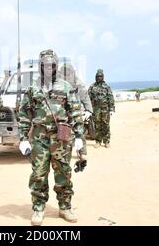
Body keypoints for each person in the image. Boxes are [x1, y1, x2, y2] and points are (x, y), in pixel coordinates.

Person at [18, 49, 85, 226]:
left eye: (52, 65)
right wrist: (23, 137)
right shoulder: (33, 88)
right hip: (39, 137)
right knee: (38, 174)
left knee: (63, 172)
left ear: (56, 66)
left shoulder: (65, 87)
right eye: (45, 65)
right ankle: (38, 209)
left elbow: (76, 112)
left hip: (61, 138)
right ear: (40, 66)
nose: (49, 67)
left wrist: (79, 136)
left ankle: (65, 207)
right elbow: (25, 113)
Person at [59, 62, 93, 160]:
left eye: (68, 72)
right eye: (64, 72)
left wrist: (89, 110)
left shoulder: (78, 83)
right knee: (62, 132)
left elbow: (85, 97)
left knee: (80, 132)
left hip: (76, 111)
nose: (66, 74)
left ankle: (82, 152)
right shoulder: (57, 83)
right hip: (62, 111)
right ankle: (62, 153)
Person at [88, 69, 115, 148]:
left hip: (105, 109)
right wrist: (88, 108)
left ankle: (106, 141)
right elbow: (88, 98)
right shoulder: (92, 87)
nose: (99, 78)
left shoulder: (107, 87)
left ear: (103, 77)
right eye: (97, 76)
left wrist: (112, 109)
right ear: (95, 77)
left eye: (100, 76)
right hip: (96, 109)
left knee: (106, 124)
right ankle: (98, 141)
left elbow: (111, 98)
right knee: (97, 125)